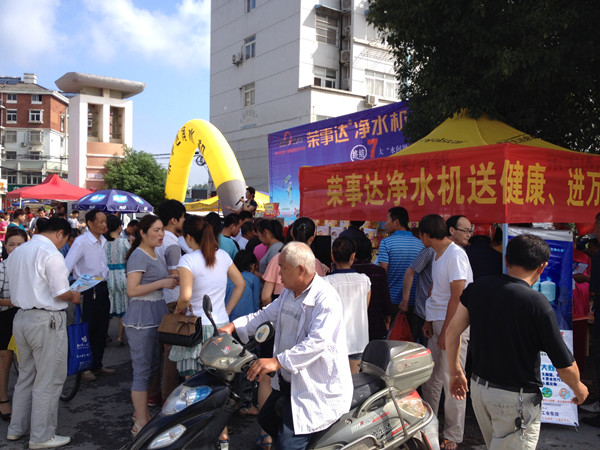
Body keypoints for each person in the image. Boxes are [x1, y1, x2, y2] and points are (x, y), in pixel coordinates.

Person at [446, 234, 589, 449]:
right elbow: (564, 364)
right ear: (542, 267)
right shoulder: (537, 303)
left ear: (506, 259)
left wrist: (456, 370)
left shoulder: (478, 288)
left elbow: (452, 332)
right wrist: (579, 389)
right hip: (516, 399)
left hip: (480, 390)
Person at [219, 242, 352, 449]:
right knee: (266, 419)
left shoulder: (326, 299)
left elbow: (317, 343)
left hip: (314, 386)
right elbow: (265, 315)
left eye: (283, 268)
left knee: (287, 444)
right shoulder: (289, 293)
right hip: (289, 381)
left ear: (301, 270)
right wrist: (233, 326)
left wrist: (276, 362)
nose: (279, 273)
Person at [6, 217, 81, 449]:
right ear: (60, 233)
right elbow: (61, 293)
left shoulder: (18, 252)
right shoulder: (51, 254)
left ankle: (17, 428)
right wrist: (74, 295)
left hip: (22, 317)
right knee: (48, 379)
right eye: (65, 239)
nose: (63, 244)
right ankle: (42, 436)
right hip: (46, 319)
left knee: (26, 376)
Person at [170, 215, 245, 447]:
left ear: (188, 237)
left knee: (194, 387)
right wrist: (226, 310)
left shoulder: (188, 260)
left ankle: (194, 436)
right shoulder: (222, 256)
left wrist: (177, 311)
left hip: (195, 329)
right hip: (220, 327)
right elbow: (240, 284)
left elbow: (185, 297)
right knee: (219, 387)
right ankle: (223, 437)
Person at [419, 214, 473, 450]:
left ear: (425, 235)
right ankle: (428, 425)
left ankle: (453, 434)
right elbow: (436, 289)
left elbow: (457, 296)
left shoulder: (455, 254)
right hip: (438, 320)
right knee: (432, 378)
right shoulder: (437, 254)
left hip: (453, 323)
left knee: (453, 378)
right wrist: (429, 319)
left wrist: (448, 332)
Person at [124, 214, 178, 437]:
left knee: (153, 366)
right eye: (156, 230)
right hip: (141, 320)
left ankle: (141, 413)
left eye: (161, 229)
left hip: (156, 316)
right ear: (142, 233)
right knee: (142, 370)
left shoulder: (155, 253)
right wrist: (162, 282)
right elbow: (132, 290)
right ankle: (140, 420)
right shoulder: (138, 256)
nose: (161, 234)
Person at [65, 209, 115, 382]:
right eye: (100, 221)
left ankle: (97, 364)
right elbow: (67, 266)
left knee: (101, 328)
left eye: (105, 221)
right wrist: (73, 291)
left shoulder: (103, 241)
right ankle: (84, 367)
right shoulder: (81, 242)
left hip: (102, 287)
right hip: (86, 288)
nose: (104, 224)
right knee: (87, 328)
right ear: (90, 223)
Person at [155, 199, 186, 404]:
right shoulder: (172, 243)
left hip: (158, 297)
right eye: (183, 218)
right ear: (174, 220)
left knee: (160, 349)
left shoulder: (156, 238)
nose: (184, 221)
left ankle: (155, 393)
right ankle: (168, 395)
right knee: (172, 350)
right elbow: (175, 275)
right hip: (172, 299)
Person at [326, 237, 371, 374]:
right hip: (358, 341)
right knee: (354, 382)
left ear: (332, 256)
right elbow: (364, 307)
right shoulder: (364, 281)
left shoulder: (326, 282)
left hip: (333, 342)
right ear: (353, 256)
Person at [0, 227, 28, 422]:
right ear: (5, 246)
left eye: (20, 244)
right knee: (5, 357)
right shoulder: (2, 268)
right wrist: (12, 301)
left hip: (27, 315)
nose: (15, 248)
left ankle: (25, 400)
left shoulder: (31, 267)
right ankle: (3, 399)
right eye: (11, 245)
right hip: (5, 316)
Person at [378, 207, 424, 318]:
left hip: (392, 299)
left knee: (393, 329)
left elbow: (383, 272)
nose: (385, 223)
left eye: (387, 219)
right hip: (415, 300)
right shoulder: (420, 244)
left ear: (396, 222)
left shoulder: (386, 243)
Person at [352, 237, 393, 341]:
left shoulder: (351, 271)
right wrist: (388, 319)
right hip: (376, 322)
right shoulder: (379, 271)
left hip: (354, 325)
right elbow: (385, 297)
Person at [104, 214, 130, 345]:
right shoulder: (123, 242)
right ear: (119, 227)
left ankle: (105, 335)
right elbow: (129, 257)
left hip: (108, 276)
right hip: (122, 276)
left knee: (108, 308)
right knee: (123, 307)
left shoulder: (103, 243)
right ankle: (120, 336)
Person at [402, 243, 436, 344]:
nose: (468, 235)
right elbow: (410, 272)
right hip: (424, 310)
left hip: (438, 312)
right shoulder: (430, 251)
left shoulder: (457, 251)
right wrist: (405, 300)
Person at [226, 250, 260, 322]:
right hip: (246, 319)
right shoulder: (254, 279)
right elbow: (255, 303)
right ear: (252, 265)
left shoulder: (227, 276)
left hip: (227, 316)